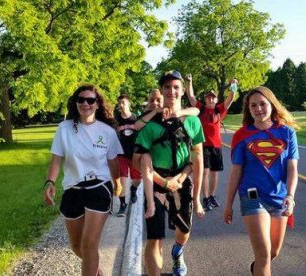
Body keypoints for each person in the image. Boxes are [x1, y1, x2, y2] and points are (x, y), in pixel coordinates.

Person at [43, 83, 122, 276]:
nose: (85, 103)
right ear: (76, 103)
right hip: (72, 189)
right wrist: (50, 182)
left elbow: (113, 162)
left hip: (99, 186)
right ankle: (97, 272)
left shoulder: (107, 132)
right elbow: (56, 159)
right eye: (81, 100)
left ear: (97, 104)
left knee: (89, 244)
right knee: (77, 247)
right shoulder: (64, 128)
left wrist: (117, 183)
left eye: (90, 100)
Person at [133, 70, 205, 276]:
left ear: (183, 91)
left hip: (182, 181)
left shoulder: (192, 121)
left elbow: (197, 157)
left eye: (176, 87)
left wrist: (182, 181)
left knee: (184, 232)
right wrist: (163, 183)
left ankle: (177, 252)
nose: (171, 91)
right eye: (167, 87)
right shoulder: (151, 124)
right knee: (154, 238)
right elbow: (137, 162)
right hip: (156, 184)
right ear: (162, 91)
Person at [223, 86, 299, 276]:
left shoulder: (287, 133)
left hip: (279, 198)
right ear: (248, 109)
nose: (258, 109)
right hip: (252, 196)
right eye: (253, 105)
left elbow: (292, 169)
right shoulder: (242, 135)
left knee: (273, 252)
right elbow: (236, 171)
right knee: (264, 254)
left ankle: (256, 269)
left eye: (263, 104)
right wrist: (228, 204)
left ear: (272, 105)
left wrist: (290, 196)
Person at [185, 74, 237, 211]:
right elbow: (190, 96)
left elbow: (231, 98)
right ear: (205, 99)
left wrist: (233, 86)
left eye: (213, 97)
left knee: (215, 173)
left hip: (217, 146)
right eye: (209, 97)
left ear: (216, 99)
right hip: (203, 147)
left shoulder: (219, 110)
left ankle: (212, 196)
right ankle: (205, 198)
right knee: (205, 173)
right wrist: (189, 82)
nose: (211, 99)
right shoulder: (200, 109)